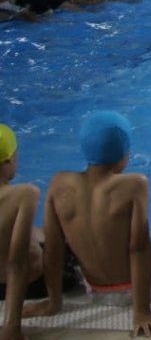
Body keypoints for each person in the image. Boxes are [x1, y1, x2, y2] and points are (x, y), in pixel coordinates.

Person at [24, 112, 151, 338]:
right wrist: (142, 311)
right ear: (123, 153)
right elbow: (139, 249)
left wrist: (54, 302)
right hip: (137, 290)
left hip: (95, 289)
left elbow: (54, 249)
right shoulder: (134, 184)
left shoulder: (59, 183)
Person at [0, 122, 41, 340]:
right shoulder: (25, 194)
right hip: (30, 286)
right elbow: (17, 263)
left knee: (39, 232)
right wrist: (11, 326)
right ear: (8, 159)